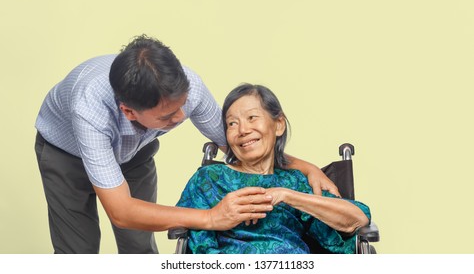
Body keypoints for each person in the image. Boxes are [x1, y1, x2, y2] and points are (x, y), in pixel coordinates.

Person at [34, 35, 339, 254]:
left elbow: (241, 144)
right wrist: (210, 217)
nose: (181, 117)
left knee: (139, 243)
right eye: (168, 116)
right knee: (78, 250)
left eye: (183, 106)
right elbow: (121, 211)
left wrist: (306, 167)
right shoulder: (90, 109)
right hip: (66, 155)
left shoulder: (187, 87)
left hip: (135, 153)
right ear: (129, 112)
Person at [177, 83, 371, 254]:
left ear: (278, 125)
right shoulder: (209, 179)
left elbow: (358, 218)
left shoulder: (294, 182)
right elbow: (201, 246)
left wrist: (288, 196)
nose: (243, 130)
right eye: (232, 123)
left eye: (252, 117)